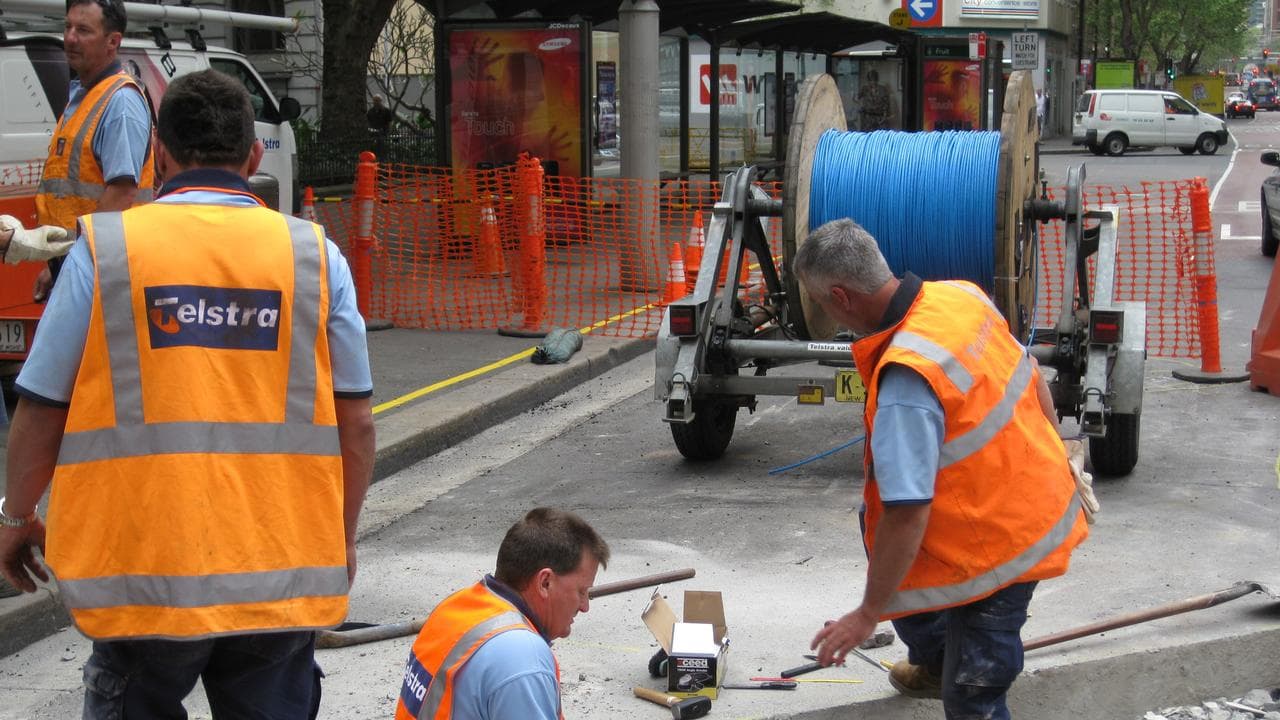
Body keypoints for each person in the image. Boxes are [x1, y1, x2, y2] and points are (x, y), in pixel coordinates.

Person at [0, 69, 375, 718]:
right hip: (278, 566)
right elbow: (357, 425)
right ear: (254, 154)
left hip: (145, 568)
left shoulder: (106, 251)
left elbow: (41, 407)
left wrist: (15, 516)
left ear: (160, 153)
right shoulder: (316, 257)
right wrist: (340, 538)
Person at [796, 218, 1089, 720]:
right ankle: (934, 661)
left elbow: (908, 515)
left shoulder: (907, 381)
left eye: (822, 304)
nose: (828, 314)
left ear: (841, 297)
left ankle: (955, 679)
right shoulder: (960, 296)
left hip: (1004, 548)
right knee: (878, 527)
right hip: (1022, 490)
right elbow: (1030, 373)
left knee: (974, 692)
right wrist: (1060, 447)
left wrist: (866, 616)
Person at [394, 507, 610, 720]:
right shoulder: (522, 658)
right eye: (581, 591)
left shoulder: (457, 607)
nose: (584, 606)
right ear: (545, 582)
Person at [33, 0, 155, 301]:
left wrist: (72, 262)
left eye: (84, 30)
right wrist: (57, 265)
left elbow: (121, 194)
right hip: (83, 265)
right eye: (68, 26)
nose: (70, 38)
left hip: (103, 273)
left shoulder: (119, 103)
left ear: (113, 41)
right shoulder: (84, 95)